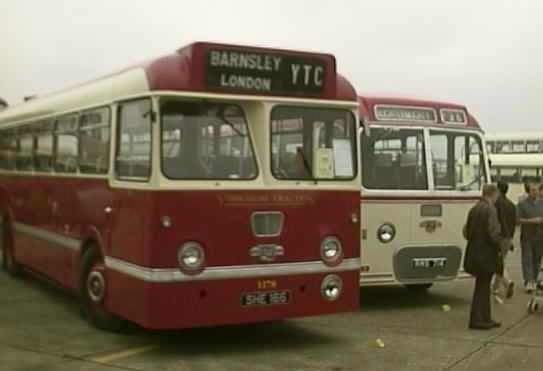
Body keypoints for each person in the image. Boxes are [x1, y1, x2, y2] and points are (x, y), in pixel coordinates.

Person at [463, 184, 503, 330]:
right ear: (492, 193)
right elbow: (493, 232)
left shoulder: (474, 209)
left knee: (482, 286)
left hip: (474, 252)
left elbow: (466, 232)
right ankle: (479, 319)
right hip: (486, 253)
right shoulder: (490, 209)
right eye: (496, 194)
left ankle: (484, 318)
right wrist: (499, 246)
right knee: (483, 287)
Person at [492, 181, 517, 303]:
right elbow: (514, 224)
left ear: (499, 190)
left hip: (499, 237)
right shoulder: (512, 205)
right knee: (500, 261)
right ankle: (495, 288)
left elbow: (495, 221)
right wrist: (511, 239)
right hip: (508, 238)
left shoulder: (496, 204)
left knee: (497, 262)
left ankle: (507, 282)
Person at [517, 183, 543, 293]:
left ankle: (534, 279)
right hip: (527, 236)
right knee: (527, 259)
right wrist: (531, 221)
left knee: (537, 259)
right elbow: (517, 220)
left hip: (540, 236)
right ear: (529, 191)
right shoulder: (522, 204)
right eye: (533, 190)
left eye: (537, 190)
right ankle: (529, 281)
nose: (535, 192)